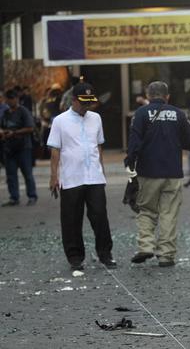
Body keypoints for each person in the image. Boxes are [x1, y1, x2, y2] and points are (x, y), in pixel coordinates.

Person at [126, 81, 190, 267]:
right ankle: (166, 255)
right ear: (168, 96)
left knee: (147, 209)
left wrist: (130, 163)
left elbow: (133, 142)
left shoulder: (140, 114)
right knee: (169, 213)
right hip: (173, 171)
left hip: (148, 171)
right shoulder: (178, 114)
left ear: (148, 95)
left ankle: (146, 246)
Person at [47, 82, 116, 270]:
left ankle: (105, 254)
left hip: (94, 176)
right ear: (74, 100)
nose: (88, 106)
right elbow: (55, 150)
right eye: (84, 102)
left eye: (90, 102)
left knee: (100, 216)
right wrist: (54, 176)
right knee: (71, 219)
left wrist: (102, 170)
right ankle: (75, 257)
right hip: (71, 177)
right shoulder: (60, 121)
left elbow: (99, 145)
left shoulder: (96, 118)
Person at [0, 89, 37, 206]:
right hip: (9, 148)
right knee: (10, 175)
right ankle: (14, 197)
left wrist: (15, 133)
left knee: (27, 173)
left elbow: (30, 128)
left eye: (12, 99)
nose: (10, 101)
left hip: (23, 148)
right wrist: (3, 132)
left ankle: (32, 196)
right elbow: (2, 126)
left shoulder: (23, 111)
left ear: (17, 99)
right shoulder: (6, 113)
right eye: (8, 99)